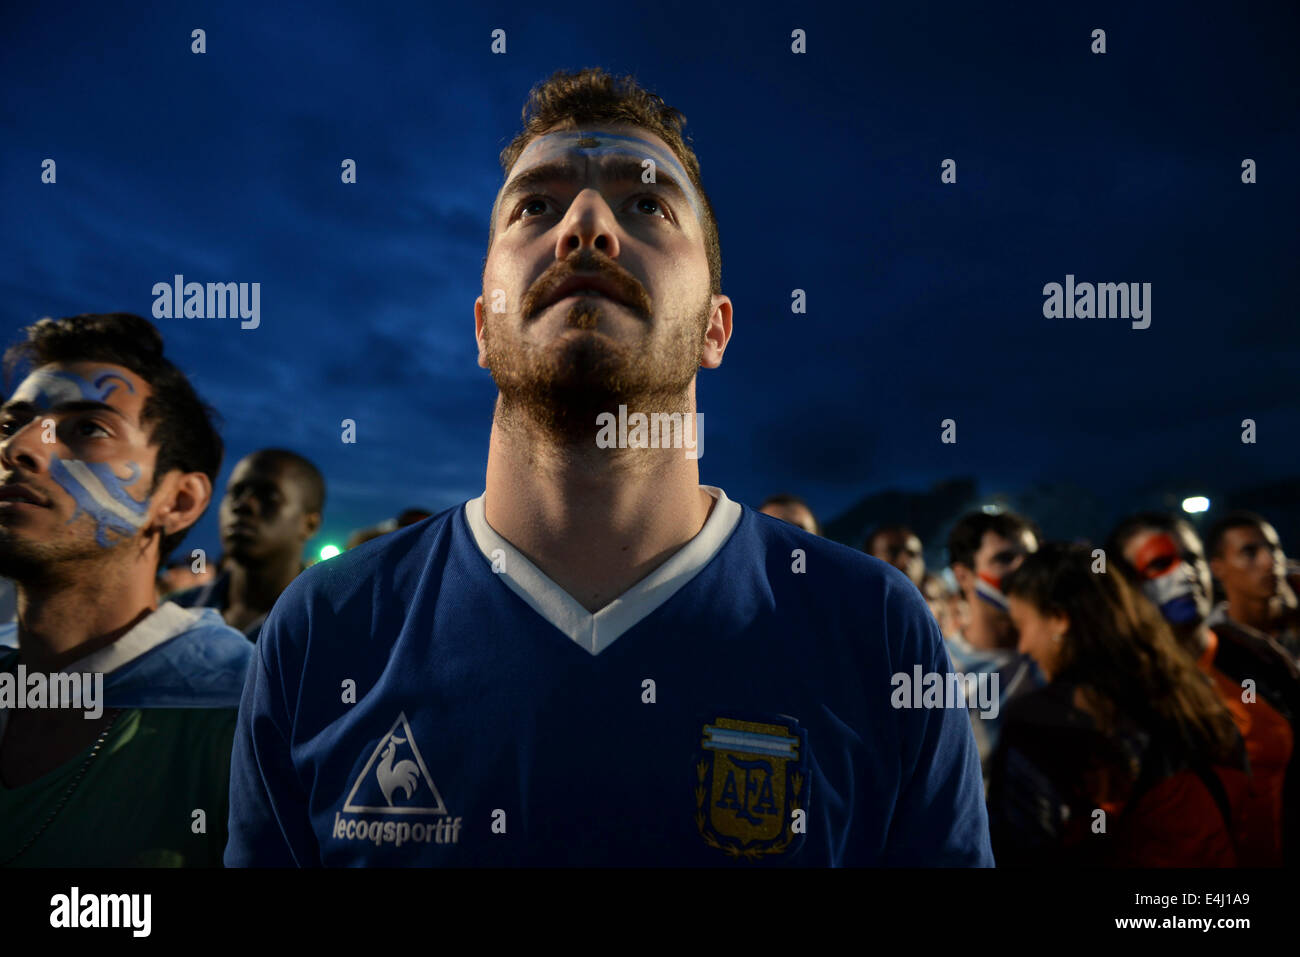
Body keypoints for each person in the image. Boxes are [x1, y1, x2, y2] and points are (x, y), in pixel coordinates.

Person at [226, 67, 992, 867]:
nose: (586, 225)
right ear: (482, 327)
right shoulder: (324, 632)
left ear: (715, 328)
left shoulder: (874, 629)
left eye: (647, 204)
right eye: (536, 206)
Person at [0, 312, 252, 866]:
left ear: (179, 501)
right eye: (10, 423)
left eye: (88, 428)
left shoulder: (248, 717)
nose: (19, 448)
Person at [989, 543, 1244, 866]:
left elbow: (1024, 848)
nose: (1023, 647)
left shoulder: (1040, 723)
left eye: (1022, 626)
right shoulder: (1189, 694)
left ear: (1059, 619)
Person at [1107, 511, 1299, 866]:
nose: (1186, 574)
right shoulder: (1115, 692)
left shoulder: (1260, 659)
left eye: (1192, 558)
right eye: (1160, 563)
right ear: (1126, 587)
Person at [169, 449, 323, 642]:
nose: (243, 505)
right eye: (235, 492)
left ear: (309, 525)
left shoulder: (325, 630)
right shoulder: (175, 614)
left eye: (269, 497)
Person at [943, 510, 1043, 776]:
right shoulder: (940, 672)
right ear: (963, 576)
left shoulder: (1058, 656)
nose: (1023, 570)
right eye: (1005, 558)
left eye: (1031, 559)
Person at [1205, 510, 1300, 662]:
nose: (1270, 561)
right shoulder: (1211, 647)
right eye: (1250, 552)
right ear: (1217, 568)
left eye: (1275, 548)